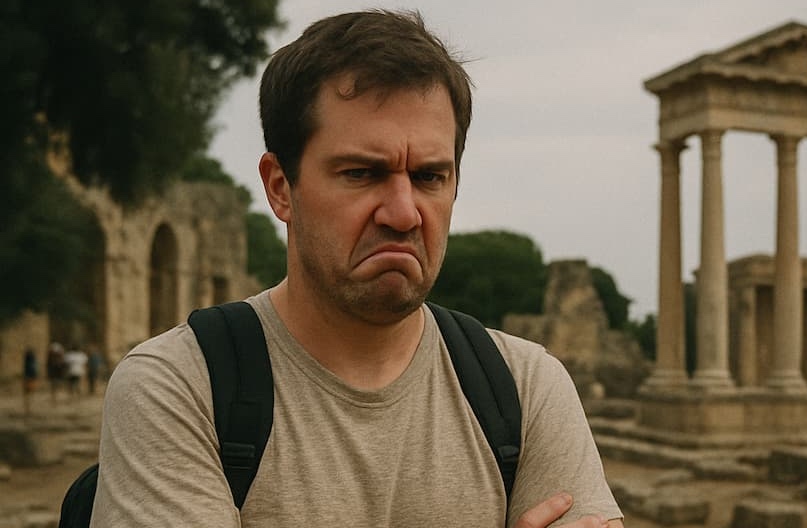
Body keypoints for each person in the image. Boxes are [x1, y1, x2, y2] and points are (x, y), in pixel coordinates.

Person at [91, 10, 623, 528]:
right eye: (362, 173)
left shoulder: (527, 387)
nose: (404, 213)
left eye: (430, 177)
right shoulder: (178, 385)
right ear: (280, 187)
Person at [22, 347, 39, 415]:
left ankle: (28, 408)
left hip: (28, 377)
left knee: (27, 394)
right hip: (31, 377)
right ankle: (29, 409)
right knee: (30, 394)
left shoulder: (27, 361)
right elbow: (35, 370)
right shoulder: (33, 362)